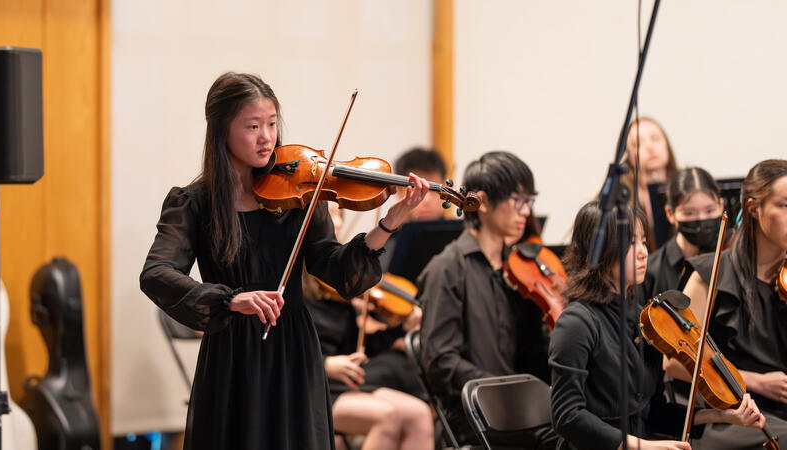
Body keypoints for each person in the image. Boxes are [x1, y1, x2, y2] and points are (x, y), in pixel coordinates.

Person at [139, 72, 430, 450]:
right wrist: (230, 299)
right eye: (253, 126)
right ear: (221, 130)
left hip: (294, 350)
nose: (267, 137)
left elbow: (338, 270)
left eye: (272, 124)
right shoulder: (194, 202)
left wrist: (389, 222)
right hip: (233, 353)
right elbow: (157, 273)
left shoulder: (300, 194)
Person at [548, 201, 765, 450]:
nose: (643, 252)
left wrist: (721, 416)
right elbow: (567, 416)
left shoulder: (643, 319)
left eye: (643, 241)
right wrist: (643, 446)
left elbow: (651, 410)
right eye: (631, 243)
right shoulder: (576, 323)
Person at [418, 151, 554, 448]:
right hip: (477, 419)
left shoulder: (520, 269)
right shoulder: (448, 269)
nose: (526, 212)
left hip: (521, 411)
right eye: (518, 200)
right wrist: (505, 389)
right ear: (484, 202)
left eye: (529, 201)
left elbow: (531, 351)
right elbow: (442, 362)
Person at [304, 202, 433, 450]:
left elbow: (362, 344)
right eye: (329, 216)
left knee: (419, 415)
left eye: (339, 215)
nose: (338, 223)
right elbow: (279, 346)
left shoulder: (339, 284)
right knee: (388, 417)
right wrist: (325, 364)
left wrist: (401, 328)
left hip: (341, 385)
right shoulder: (294, 282)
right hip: (309, 387)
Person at [681, 158, 787, 449]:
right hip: (735, 415)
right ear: (753, 209)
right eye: (785, 205)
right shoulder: (711, 274)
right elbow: (674, 364)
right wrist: (756, 381)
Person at [639, 167, 724, 302]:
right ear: (670, 214)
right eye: (689, 213)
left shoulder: (729, 259)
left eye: (709, 211)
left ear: (721, 206)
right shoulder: (650, 271)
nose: (701, 219)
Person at [623, 117, 679, 234]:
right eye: (637, 143)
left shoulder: (684, 188)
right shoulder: (621, 201)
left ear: (666, 145)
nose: (650, 147)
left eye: (655, 139)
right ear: (628, 157)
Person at [393, 147, 448, 222]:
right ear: (399, 190)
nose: (427, 199)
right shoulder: (384, 232)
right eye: (417, 189)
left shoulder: (461, 232)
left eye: (435, 189)